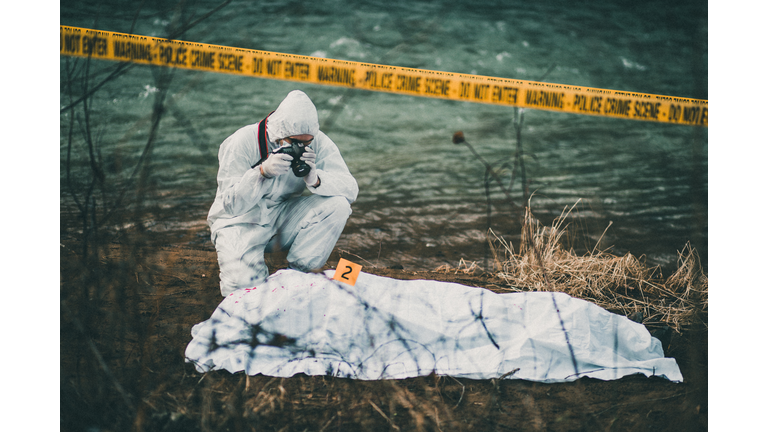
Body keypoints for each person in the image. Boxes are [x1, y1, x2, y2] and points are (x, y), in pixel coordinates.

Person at [207, 90, 358, 296]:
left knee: (338, 205)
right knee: (244, 293)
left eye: (306, 143)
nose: (301, 147)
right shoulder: (242, 141)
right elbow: (230, 205)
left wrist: (317, 179)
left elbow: (350, 189)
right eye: (295, 142)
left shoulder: (317, 141)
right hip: (238, 222)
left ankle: (298, 274)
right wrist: (261, 173)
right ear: (278, 134)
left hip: (280, 217)